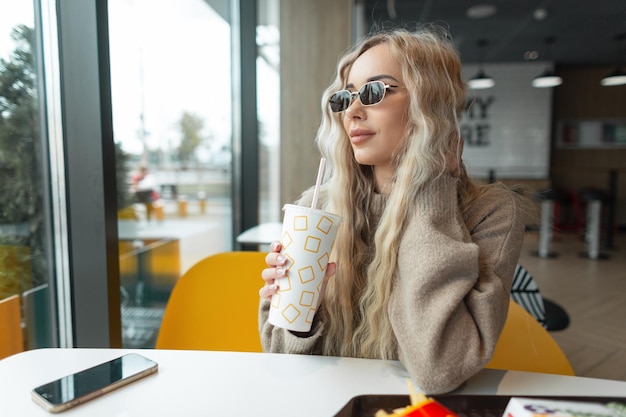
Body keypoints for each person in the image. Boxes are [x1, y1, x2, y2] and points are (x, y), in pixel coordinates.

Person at [258, 25, 527, 394]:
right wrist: (303, 311)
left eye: (373, 92)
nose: (351, 111)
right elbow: (277, 356)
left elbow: (440, 370)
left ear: (428, 104)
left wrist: (430, 189)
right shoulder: (317, 207)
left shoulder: (491, 213)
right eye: (345, 97)